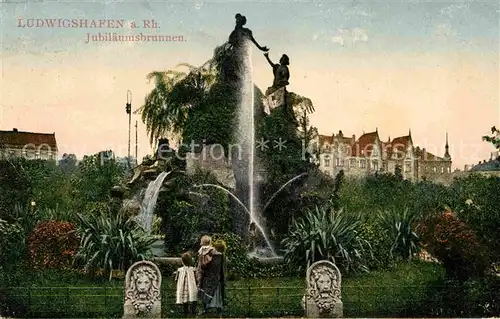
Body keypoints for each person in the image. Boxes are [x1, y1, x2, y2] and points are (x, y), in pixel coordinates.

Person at [196, 236, 225, 315]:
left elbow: (201, 265)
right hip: (215, 277)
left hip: (206, 276)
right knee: (216, 293)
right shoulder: (218, 254)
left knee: (205, 291)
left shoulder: (202, 252)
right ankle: (218, 310)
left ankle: (205, 309)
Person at [175, 252, 198, 317]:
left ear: (182, 261)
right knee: (193, 301)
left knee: (185, 303)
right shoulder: (193, 269)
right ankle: (194, 314)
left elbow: (176, 279)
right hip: (192, 288)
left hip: (183, 289)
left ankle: (185, 314)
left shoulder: (180, 270)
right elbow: (196, 278)